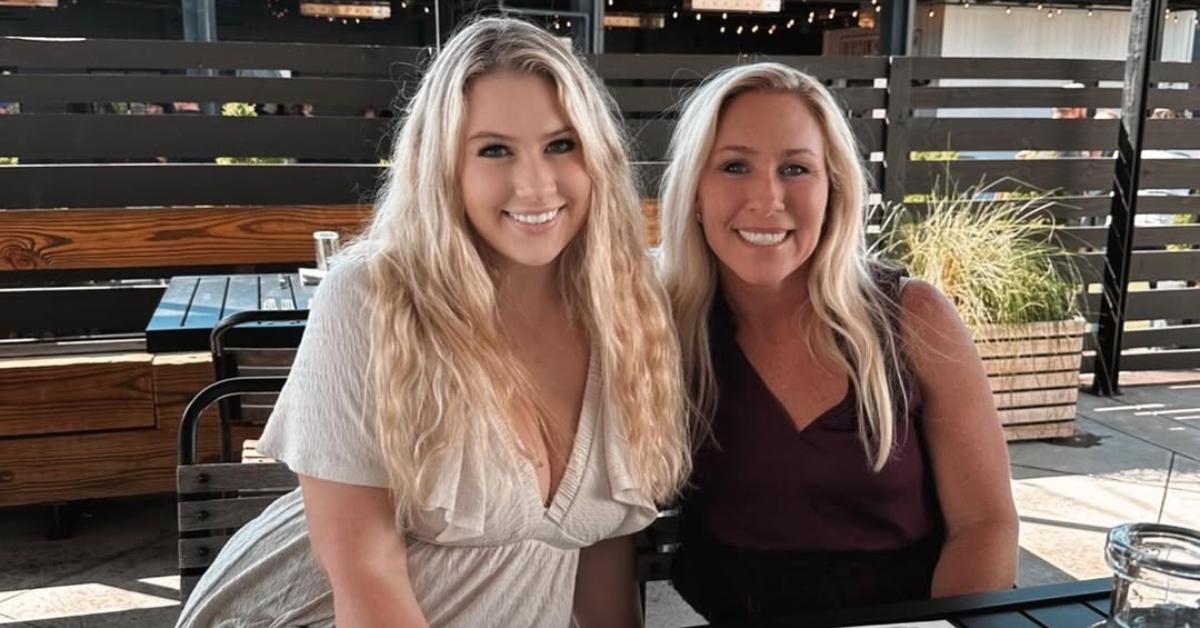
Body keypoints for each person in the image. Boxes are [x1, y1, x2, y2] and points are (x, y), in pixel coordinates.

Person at [176, 17, 690, 628]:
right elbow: (367, 582)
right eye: (494, 150)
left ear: (597, 156)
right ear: (443, 165)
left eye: (561, 144)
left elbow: (598, 534)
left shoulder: (628, 307)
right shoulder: (370, 297)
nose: (535, 186)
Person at [659, 62, 1019, 623]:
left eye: (796, 169)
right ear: (695, 193)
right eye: (734, 166)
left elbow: (985, 523)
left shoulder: (913, 316)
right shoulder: (659, 330)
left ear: (834, 190)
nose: (767, 198)